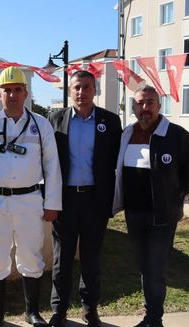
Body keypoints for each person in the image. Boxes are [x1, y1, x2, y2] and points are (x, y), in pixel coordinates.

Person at [0, 66, 62, 327]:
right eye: (7, 90)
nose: (12, 95)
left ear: (26, 93)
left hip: (30, 201)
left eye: (17, 90)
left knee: (31, 256)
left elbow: (52, 165)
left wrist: (52, 203)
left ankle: (32, 312)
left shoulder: (41, 126)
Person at [113, 86, 189, 327]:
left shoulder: (176, 135)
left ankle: (154, 319)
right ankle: (150, 315)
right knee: (144, 267)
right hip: (134, 215)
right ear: (133, 107)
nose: (145, 108)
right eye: (140, 103)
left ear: (159, 106)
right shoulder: (126, 134)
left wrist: (173, 196)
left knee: (156, 268)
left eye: (150, 102)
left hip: (162, 217)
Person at [47, 70, 122, 327]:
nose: (82, 92)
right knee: (61, 259)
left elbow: (116, 162)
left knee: (91, 259)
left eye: (87, 87)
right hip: (64, 200)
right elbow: (46, 161)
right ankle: (59, 310)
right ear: (70, 90)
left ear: (95, 89)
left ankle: (90, 310)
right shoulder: (54, 119)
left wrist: (113, 200)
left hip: (95, 201)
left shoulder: (111, 122)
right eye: (77, 87)